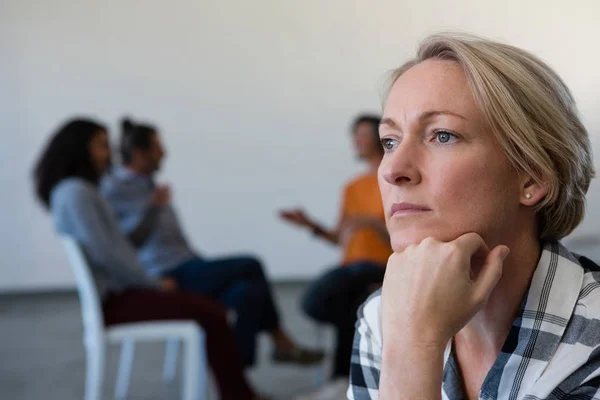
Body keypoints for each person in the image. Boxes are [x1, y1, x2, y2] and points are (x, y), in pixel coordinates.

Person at [349, 33, 600, 400]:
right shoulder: (380, 318)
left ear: (531, 175)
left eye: (442, 135)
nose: (392, 170)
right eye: (390, 141)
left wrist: (413, 349)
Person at [33, 118, 267, 400]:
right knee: (213, 312)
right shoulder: (78, 193)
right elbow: (109, 254)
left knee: (227, 299)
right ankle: (239, 394)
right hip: (117, 300)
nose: (108, 154)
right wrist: (153, 284)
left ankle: (240, 388)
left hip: (120, 294)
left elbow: (119, 246)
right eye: (100, 146)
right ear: (76, 149)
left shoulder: (75, 191)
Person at [100, 118, 324, 368]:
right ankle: (280, 342)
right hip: (168, 274)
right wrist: (152, 208)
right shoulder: (116, 188)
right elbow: (125, 242)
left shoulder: (146, 184)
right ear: (140, 153)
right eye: (158, 147)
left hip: (188, 264)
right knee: (250, 264)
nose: (164, 153)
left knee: (246, 293)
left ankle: (239, 384)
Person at [279, 115, 392, 394]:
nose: (357, 141)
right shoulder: (352, 187)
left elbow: (406, 234)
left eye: (362, 134)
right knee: (351, 308)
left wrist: (371, 223)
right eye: (354, 135)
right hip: (352, 269)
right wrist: (311, 226)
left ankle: (342, 378)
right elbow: (340, 237)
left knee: (317, 298)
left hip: (382, 265)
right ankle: (345, 379)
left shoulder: (394, 177)